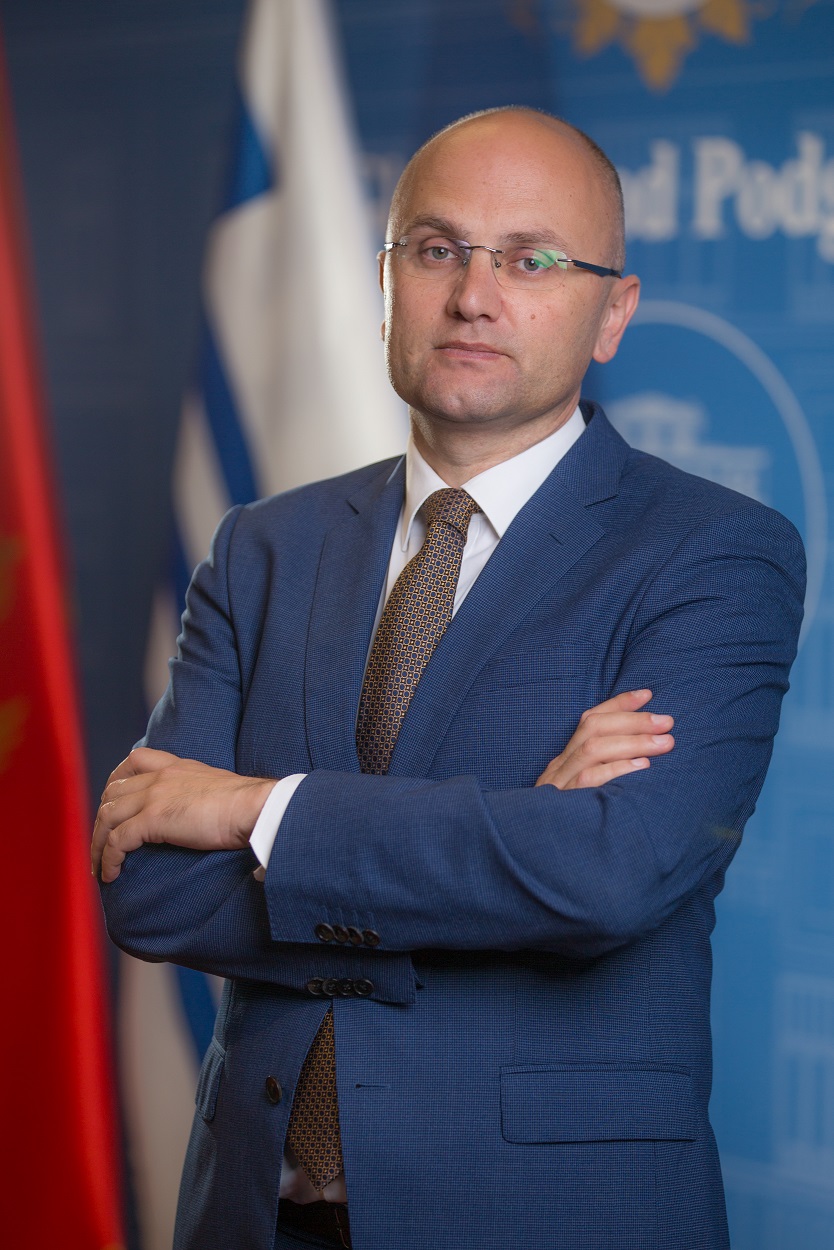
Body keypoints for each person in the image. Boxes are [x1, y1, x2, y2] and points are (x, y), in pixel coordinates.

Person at [94, 107, 805, 1250]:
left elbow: (606, 874)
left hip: (544, 1217)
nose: (474, 295)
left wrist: (257, 811)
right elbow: (151, 891)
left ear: (614, 311)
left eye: (531, 260)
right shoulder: (263, 546)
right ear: (385, 283)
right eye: (436, 249)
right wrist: (515, 831)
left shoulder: (713, 553)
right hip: (254, 1213)